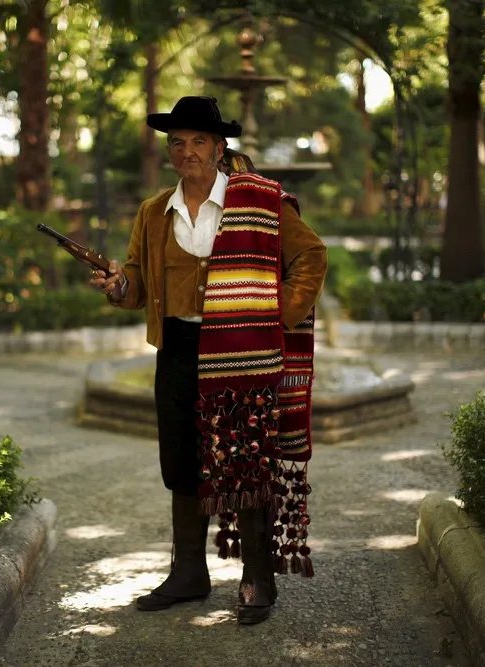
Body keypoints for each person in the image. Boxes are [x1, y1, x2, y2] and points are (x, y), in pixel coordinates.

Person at [89, 96, 327, 625]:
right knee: (180, 461)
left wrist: (278, 314)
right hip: (176, 348)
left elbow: (310, 255)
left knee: (243, 459)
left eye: (199, 141)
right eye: (178, 142)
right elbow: (137, 284)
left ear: (220, 149)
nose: (187, 150)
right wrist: (117, 285)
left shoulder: (261, 201)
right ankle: (189, 574)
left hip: (243, 350)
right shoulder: (154, 212)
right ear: (169, 151)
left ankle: (257, 581)